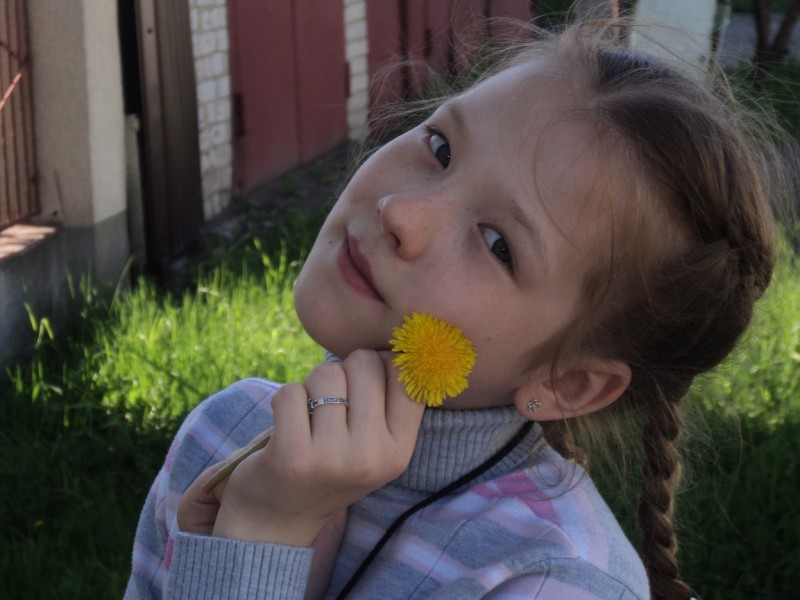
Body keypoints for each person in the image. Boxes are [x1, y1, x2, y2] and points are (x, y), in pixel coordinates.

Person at [124, 20, 782, 600]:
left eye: (498, 245)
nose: (401, 212)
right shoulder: (226, 432)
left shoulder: (551, 580)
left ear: (569, 382)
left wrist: (262, 532)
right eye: (440, 148)